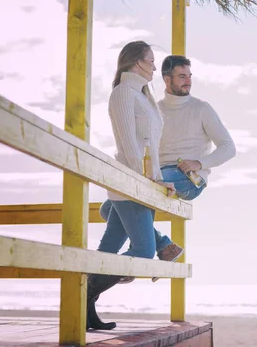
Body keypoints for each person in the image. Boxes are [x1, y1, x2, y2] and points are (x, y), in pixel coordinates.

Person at [99, 54, 236, 282]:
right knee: (108, 208)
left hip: (188, 177)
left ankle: (147, 252)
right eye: (182, 76)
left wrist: (199, 163)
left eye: (189, 76)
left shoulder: (202, 108)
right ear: (166, 79)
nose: (188, 81)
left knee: (131, 204)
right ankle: (163, 245)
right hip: (157, 174)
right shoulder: (154, 109)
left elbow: (228, 147)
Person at [87, 41, 179, 331]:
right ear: (136, 62)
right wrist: (147, 181)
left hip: (143, 183)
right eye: (151, 61)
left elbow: (149, 145)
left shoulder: (142, 95)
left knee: (110, 246)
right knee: (142, 250)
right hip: (130, 183)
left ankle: (84, 307)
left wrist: (156, 179)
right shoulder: (123, 94)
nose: (154, 67)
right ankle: (82, 294)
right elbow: (129, 145)